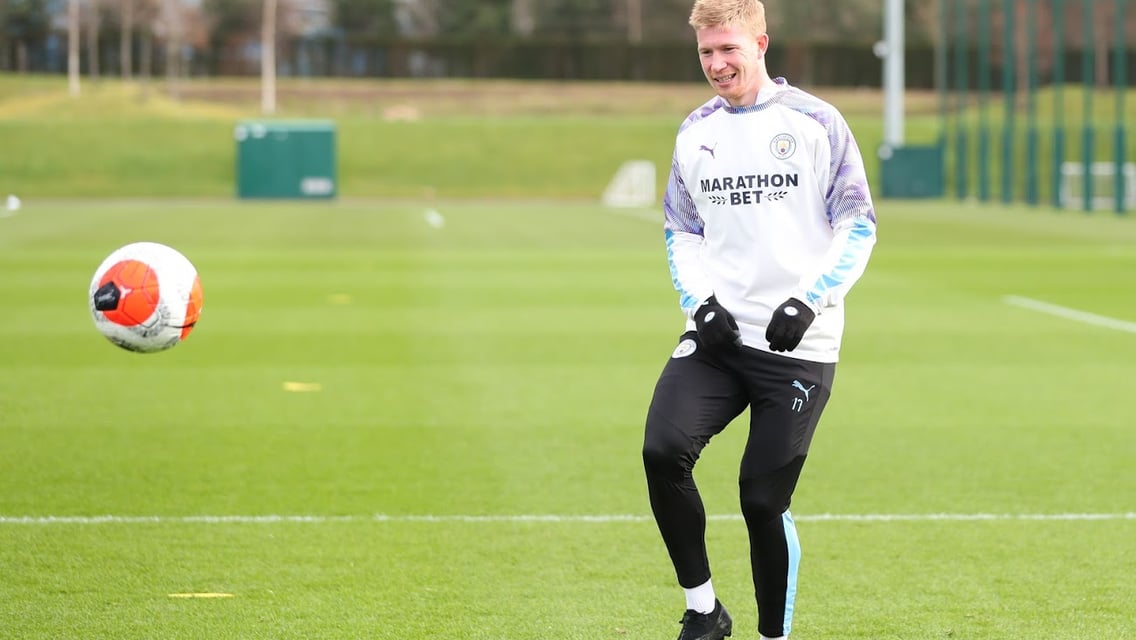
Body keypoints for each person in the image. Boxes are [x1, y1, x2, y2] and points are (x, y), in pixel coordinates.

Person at [640, 1, 878, 638]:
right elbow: (681, 232)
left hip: (799, 343)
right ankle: (703, 612)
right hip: (718, 338)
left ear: (760, 43)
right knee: (663, 450)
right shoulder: (695, 132)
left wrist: (809, 299)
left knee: (761, 500)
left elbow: (858, 224)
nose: (717, 64)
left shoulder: (816, 121)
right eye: (706, 53)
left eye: (728, 50)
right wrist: (701, 306)